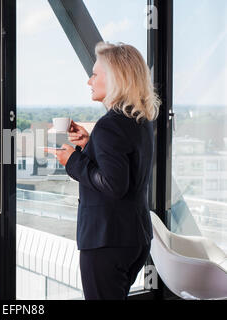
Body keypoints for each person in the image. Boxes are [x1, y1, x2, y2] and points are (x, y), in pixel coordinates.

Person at [46, 41, 161, 300]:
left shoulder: (110, 125)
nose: (89, 81)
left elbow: (114, 184)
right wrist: (90, 144)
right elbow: (124, 167)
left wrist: (73, 161)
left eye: (95, 74)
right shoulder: (138, 119)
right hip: (134, 237)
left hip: (107, 240)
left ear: (115, 79)